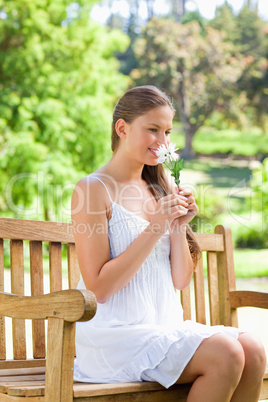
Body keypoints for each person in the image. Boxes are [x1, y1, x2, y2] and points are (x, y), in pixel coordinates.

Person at [71, 85, 266, 402]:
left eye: (167, 132)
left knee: (254, 350)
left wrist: (178, 227)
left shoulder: (163, 186)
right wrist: (156, 225)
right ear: (122, 128)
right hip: (113, 336)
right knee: (226, 353)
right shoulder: (93, 189)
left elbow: (180, 280)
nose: (162, 142)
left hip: (161, 328)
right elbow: (98, 288)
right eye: (152, 130)